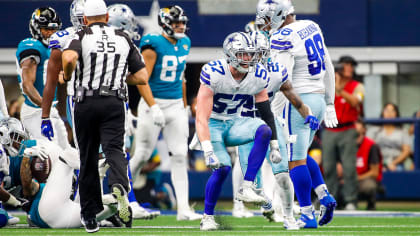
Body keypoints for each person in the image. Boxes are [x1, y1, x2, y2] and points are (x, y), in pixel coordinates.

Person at [62, 0, 149, 232]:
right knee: (115, 150)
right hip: (114, 100)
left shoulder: (80, 35)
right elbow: (142, 77)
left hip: (86, 101)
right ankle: (120, 186)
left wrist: (68, 75)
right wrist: (120, 78)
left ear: (86, 19)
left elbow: (69, 59)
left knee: (88, 157)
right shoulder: (123, 37)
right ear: (107, 17)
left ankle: (90, 214)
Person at [255, 0, 338, 228]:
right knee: (300, 153)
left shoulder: (282, 37)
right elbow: (329, 65)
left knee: (294, 160)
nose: (266, 23)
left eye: (267, 18)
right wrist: (329, 102)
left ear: (280, 14)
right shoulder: (311, 25)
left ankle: (307, 214)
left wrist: (258, 83)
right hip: (319, 97)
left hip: (299, 102)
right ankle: (324, 195)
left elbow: (282, 79)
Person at [195, 31, 283, 231]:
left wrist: (275, 146)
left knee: (263, 130)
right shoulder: (214, 72)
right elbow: (201, 116)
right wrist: (208, 150)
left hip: (235, 122)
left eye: (250, 54)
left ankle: (248, 186)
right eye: (242, 54)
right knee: (223, 168)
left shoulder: (258, 75)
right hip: (213, 124)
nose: (248, 59)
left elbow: (267, 114)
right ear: (230, 53)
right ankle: (208, 217)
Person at [235, 31, 321, 229]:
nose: (250, 58)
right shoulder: (234, 71)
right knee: (253, 188)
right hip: (245, 128)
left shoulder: (276, 72)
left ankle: (289, 217)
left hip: (269, 123)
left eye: (255, 53)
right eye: (248, 53)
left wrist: (307, 113)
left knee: (282, 175)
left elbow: (293, 96)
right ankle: (268, 206)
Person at [129, 5, 201, 221]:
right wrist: (153, 106)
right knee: (142, 154)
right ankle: (122, 196)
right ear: (165, 24)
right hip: (153, 104)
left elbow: (182, 78)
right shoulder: (153, 44)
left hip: (175, 105)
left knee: (180, 155)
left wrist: (185, 105)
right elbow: (142, 79)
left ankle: (183, 209)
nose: (180, 26)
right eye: (176, 23)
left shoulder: (185, 43)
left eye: (182, 22)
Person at [0, 117, 118, 229]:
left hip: (61, 216)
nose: (20, 142)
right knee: (68, 154)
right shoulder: (36, 183)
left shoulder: (42, 186)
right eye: (17, 138)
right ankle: (92, 168)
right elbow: (27, 189)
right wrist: (26, 157)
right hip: (47, 211)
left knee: (110, 206)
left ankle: (99, 177)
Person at [15, 7, 70, 150]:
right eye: (46, 29)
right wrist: (45, 107)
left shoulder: (52, 48)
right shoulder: (32, 46)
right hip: (35, 111)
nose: (51, 33)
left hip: (48, 109)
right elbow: (28, 85)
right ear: (36, 28)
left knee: (67, 153)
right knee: (53, 154)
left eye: (54, 29)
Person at [322, 55, 364, 210]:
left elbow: (355, 101)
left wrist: (339, 89)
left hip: (348, 129)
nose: (349, 68)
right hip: (330, 129)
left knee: (348, 167)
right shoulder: (329, 84)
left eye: (351, 65)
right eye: (346, 65)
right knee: (328, 167)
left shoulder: (357, 86)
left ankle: (351, 200)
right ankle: (330, 199)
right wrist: (334, 85)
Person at [368, 103, 411, 172]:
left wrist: (392, 163)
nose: (389, 113)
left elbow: (406, 151)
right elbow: (368, 148)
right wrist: (380, 165)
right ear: (382, 113)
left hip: (396, 163)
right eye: (387, 110)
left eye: (392, 111)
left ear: (396, 114)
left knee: (399, 172)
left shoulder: (403, 131)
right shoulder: (374, 130)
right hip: (377, 163)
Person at [354, 119, 382, 210]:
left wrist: (358, 178)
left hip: (364, 179)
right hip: (348, 179)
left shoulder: (371, 145)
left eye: (358, 125)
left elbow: (374, 173)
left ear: (364, 130)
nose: (355, 128)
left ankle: (371, 204)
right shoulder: (345, 144)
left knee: (369, 186)